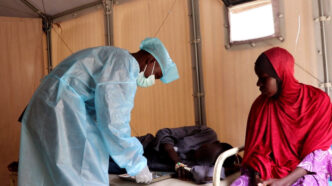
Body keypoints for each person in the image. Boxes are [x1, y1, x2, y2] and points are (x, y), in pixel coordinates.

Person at [18, 37, 179, 186]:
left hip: (48, 103)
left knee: (48, 172)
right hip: (59, 106)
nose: (152, 81)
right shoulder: (124, 66)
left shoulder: (114, 56)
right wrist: (137, 164)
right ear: (151, 60)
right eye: (156, 75)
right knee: (81, 171)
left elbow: (100, 114)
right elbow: (113, 123)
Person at [231, 47, 332, 186]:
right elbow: (257, 151)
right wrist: (257, 178)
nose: (258, 84)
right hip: (270, 171)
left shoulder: (318, 100)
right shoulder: (260, 106)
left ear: (280, 74)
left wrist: (283, 182)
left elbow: (318, 153)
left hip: (306, 172)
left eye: (263, 78)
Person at [109, 125, 242, 184]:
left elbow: (205, 175)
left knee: (98, 165)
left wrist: (235, 169)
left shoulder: (197, 166)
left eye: (204, 159)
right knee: (101, 149)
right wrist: (176, 160)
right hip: (141, 145)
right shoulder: (207, 133)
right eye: (205, 149)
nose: (198, 152)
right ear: (216, 142)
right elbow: (164, 133)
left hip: (141, 166)